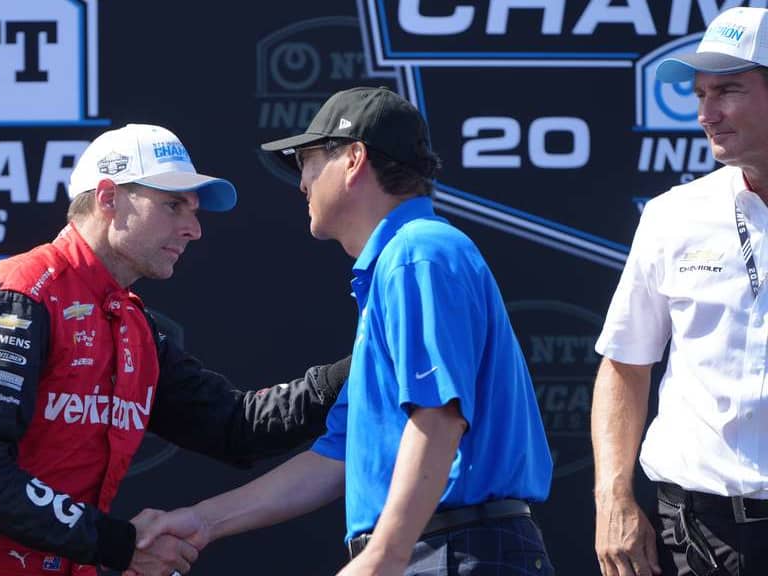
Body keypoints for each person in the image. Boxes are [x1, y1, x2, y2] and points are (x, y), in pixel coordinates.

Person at [132, 87, 554, 576]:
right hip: (438, 549)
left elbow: (438, 417)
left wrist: (384, 555)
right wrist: (201, 521)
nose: (301, 183)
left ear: (353, 159)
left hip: (454, 552)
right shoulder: (401, 262)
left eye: (306, 162)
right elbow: (335, 459)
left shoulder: (418, 253)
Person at [0, 123, 350, 576]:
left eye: (194, 212)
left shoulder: (130, 324)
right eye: (173, 205)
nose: (193, 229)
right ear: (108, 197)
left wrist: (368, 363)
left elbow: (237, 426)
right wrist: (119, 544)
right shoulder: (22, 295)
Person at [592, 7, 768, 576]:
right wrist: (613, 499)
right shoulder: (673, 215)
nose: (706, 114)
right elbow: (625, 364)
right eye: (699, 94)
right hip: (698, 533)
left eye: (728, 90)